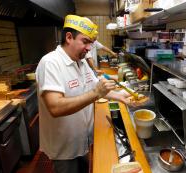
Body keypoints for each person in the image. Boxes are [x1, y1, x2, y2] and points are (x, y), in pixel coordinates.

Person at [36, 15, 132, 173]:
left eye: (91, 43)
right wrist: (96, 93)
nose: (89, 48)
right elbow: (55, 107)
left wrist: (120, 96)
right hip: (64, 147)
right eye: (85, 41)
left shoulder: (80, 62)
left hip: (83, 140)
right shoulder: (50, 63)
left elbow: (95, 86)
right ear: (69, 37)